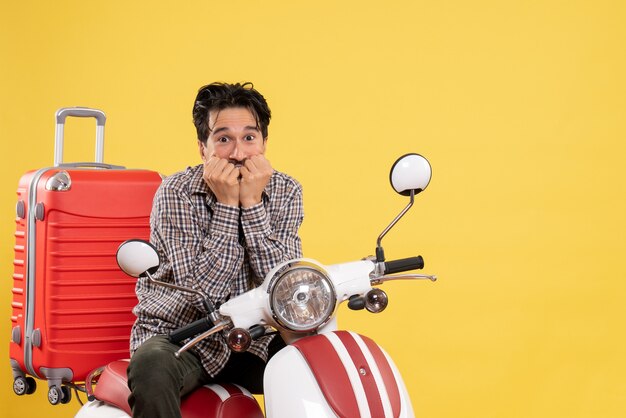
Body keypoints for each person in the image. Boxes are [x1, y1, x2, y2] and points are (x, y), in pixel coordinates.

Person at [126, 82, 304, 418]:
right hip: (183, 337)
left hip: (254, 339)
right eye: (223, 139)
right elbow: (200, 292)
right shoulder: (176, 192)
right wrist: (227, 204)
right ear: (202, 148)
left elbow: (283, 286)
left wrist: (251, 204)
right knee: (151, 367)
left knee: (321, 353)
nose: (238, 153)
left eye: (249, 138)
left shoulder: (286, 190)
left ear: (264, 142)